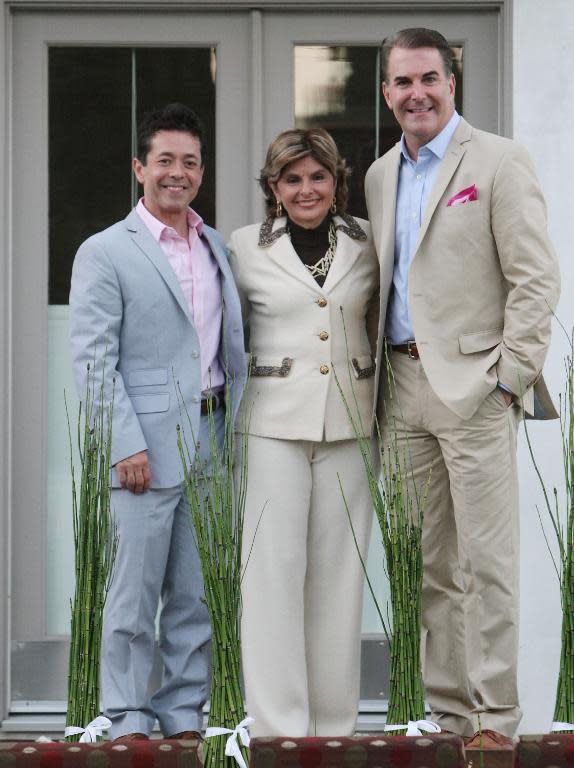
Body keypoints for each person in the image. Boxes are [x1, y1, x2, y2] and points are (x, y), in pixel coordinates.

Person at [365, 28, 560, 747]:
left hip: (475, 390)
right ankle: (448, 715)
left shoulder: (500, 161)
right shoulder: (382, 174)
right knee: (426, 566)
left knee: (487, 564)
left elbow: (535, 281)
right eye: (401, 83)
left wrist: (507, 383)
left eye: (428, 79)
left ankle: (496, 721)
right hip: (401, 390)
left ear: (452, 82)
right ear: (386, 93)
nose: (416, 93)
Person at [69, 103, 247, 741]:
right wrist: (123, 444)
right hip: (142, 445)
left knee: (196, 597)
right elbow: (94, 360)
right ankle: (126, 714)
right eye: (165, 160)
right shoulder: (106, 251)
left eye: (190, 162)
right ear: (140, 168)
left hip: (212, 437)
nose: (178, 172)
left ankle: (182, 714)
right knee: (133, 595)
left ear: (202, 172)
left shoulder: (215, 244)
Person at [229, 127, 378, 737]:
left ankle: (335, 727)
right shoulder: (241, 246)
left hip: (351, 424)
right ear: (273, 187)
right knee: (271, 576)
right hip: (271, 427)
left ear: (336, 181)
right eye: (292, 178)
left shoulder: (367, 240)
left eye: (318, 176)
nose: (306, 188)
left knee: (341, 580)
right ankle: (278, 728)